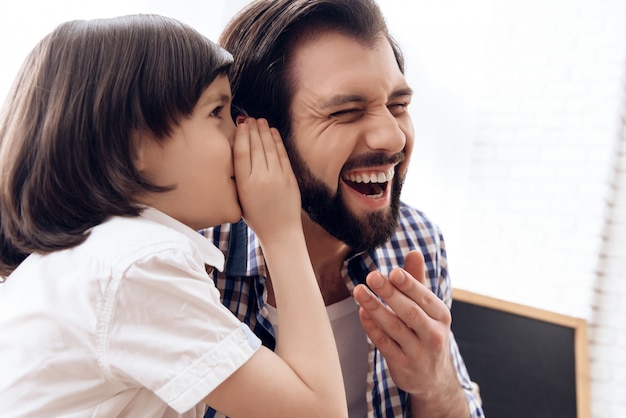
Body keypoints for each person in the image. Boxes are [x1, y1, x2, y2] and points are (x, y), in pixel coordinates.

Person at [0, 14, 348, 418]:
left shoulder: (86, 259)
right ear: (136, 146)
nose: (240, 134)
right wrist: (282, 232)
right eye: (217, 112)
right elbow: (319, 413)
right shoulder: (137, 264)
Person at [201, 1, 485, 417]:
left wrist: (435, 382)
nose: (392, 137)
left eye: (398, 106)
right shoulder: (192, 262)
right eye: (346, 112)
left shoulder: (418, 241)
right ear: (256, 134)